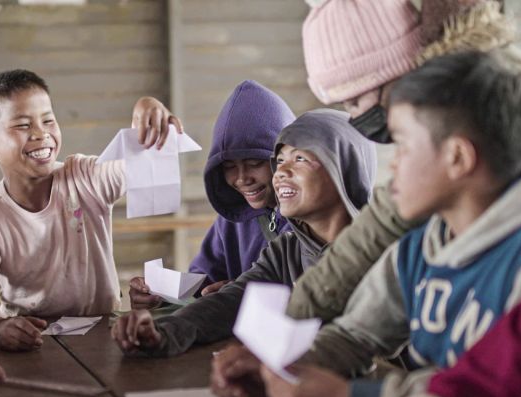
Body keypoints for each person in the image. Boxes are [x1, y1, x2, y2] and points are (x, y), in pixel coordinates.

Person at [260, 50, 521, 397]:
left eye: (403, 145)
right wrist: (285, 364)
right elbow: (356, 336)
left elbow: (502, 395)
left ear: (457, 158)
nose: (394, 164)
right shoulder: (419, 248)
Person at [111, 109, 376, 359]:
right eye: (280, 160)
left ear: (342, 168)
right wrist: (163, 332)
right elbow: (228, 303)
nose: (281, 172)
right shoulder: (286, 251)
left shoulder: (382, 253)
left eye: (300, 159)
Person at [0, 69, 183, 351]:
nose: (41, 134)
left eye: (48, 120)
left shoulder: (85, 178)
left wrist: (148, 111)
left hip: (106, 335)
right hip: (33, 344)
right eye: (23, 125)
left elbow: (142, 167)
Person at [129, 80, 295, 308]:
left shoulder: (314, 219)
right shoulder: (231, 220)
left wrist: (241, 293)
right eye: (228, 167)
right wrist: (161, 296)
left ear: (284, 159)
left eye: (255, 162)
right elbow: (203, 282)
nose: (241, 178)